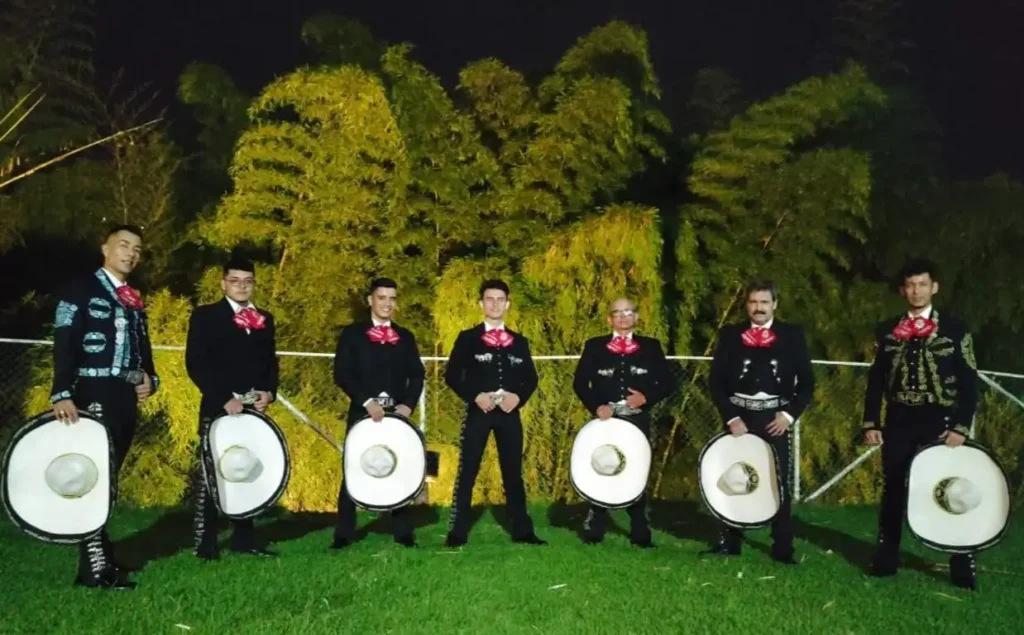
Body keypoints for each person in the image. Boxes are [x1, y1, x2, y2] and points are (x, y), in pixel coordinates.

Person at [50, 224, 159, 590]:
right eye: (123, 245)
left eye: (137, 249)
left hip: (124, 395)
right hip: (92, 389)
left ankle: (101, 553)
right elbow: (64, 343)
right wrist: (62, 391)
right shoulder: (80, 289)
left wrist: (149, 378)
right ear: (105, 248)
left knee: (110, 477)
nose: (130, 253)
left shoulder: (133, 297)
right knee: (95, 477)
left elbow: (143, 345)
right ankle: (93, 567)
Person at [862, 258, 979, 589]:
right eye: (910, 285)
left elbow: (970, 383)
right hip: (899, 419)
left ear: (934, 288)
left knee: (950, 489)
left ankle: (962, 561)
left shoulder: (956, 329)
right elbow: (875, 380)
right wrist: (871, 421)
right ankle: (885, 558)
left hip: (940, 421)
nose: (916, 291)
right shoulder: (886, 330)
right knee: (893, 487)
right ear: (903, 290)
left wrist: (960, 426)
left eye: (923, 284)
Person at [705, 279, 814, 564]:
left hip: (774, 418)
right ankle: (729, 541)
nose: (758, 308)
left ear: (775, 304)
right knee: (734, 476)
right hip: (738, 418)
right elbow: (715, 382)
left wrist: (788, 416)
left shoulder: (791, 335)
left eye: (764, 302)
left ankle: (782, 547)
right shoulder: (730, 334)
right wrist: (731, 417)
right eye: (753, 302)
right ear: (746, 305)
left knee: (778, 482)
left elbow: (807, 384)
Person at [185, 255, 279, 560]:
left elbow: (271, 363)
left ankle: (244, 539)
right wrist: (224, 398)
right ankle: (205, 543)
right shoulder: (206, 316)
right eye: (235, 280)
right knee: (212, 472)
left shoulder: (265, 319)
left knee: (248, 468)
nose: (242, 286)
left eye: (248, 281)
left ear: (254, 284)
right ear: (224, 283)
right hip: (219, 405)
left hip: (254, 411)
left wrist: (269, 392)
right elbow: (196, 364)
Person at [443, 279, 546, 547]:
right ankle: (457, 532)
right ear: (481, 303)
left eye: (500, 300)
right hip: (480, 412)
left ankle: (523, 531)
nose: (495, 304)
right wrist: (475, 396)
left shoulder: (519, 341)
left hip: (509, 414)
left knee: (513, 472)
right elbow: (452, 375)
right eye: (490, 299)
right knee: (468, 471)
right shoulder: (468, 338)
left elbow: (530, 379)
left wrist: (518, 397)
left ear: (508, 304)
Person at [571, 297, 673, 547]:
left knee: (636, 470)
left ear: (637, 317)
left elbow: (669, 383)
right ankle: (595, 524)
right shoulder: (595, 346)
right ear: (609, 319)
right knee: (602, 467)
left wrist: (646, 398)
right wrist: (597, 406)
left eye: (629, 312)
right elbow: (580, 383)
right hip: (605, 421)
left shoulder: (651, 347)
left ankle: (640, 531)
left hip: (636, 420)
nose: (623, 316)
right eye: (617, 312)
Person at [331, 278, 425, 548]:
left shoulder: (405, 337)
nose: (387, 303)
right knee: (353, 466)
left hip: (397, 415)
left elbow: (417, 375)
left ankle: (403, 533)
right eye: (381, 298)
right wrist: (365, 402)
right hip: (363, 412)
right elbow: (342, 373)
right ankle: (344, 534)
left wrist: (407, 404)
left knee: (400, 467)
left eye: (392, 299)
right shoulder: (352, 334)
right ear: (370, 300)